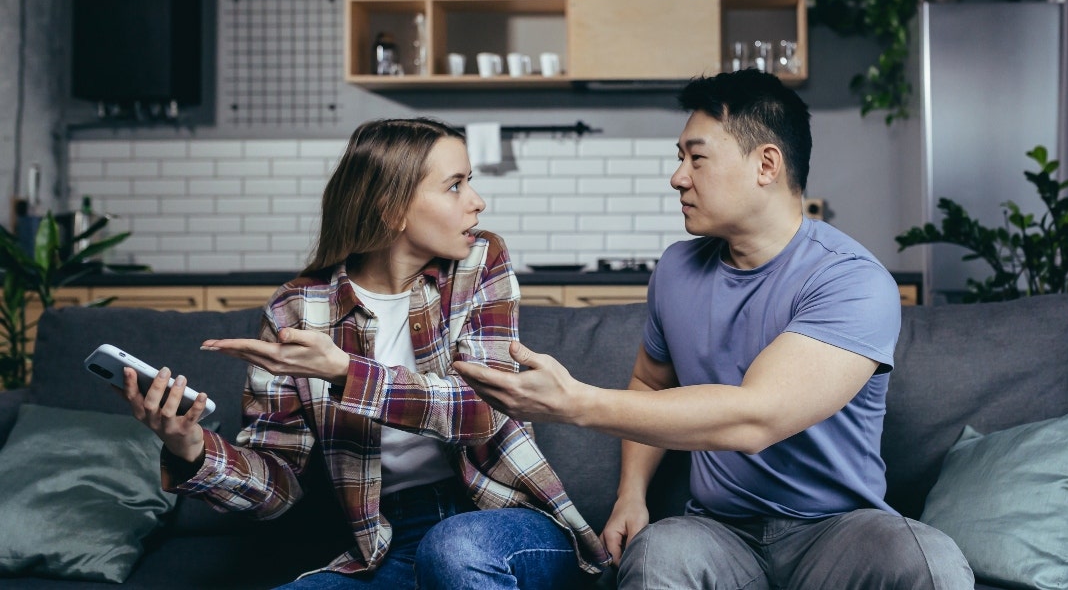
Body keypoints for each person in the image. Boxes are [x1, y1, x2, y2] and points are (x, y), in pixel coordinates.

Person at [454, 70, 975, 589]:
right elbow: (652, 382)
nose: (678, 177)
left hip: (837, 531)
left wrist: (576, 403)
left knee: (933, 562)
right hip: (718, 532)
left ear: (766, 164)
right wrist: (630, 494)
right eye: (680, 158)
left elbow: (757, 418)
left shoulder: (851, 280)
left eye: (696, 158)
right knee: (657, 555)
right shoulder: (677, 271)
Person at [115, 118, 608, 589]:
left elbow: (483, 411)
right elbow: (279, 490)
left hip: (504, 522)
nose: (477, 201)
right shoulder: (297, 310)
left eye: (469, 182)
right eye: (455, 185)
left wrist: (346, 372)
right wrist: (192, 449)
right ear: (391, 208)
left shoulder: (480, 263)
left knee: (456, 550)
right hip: (388, 544)